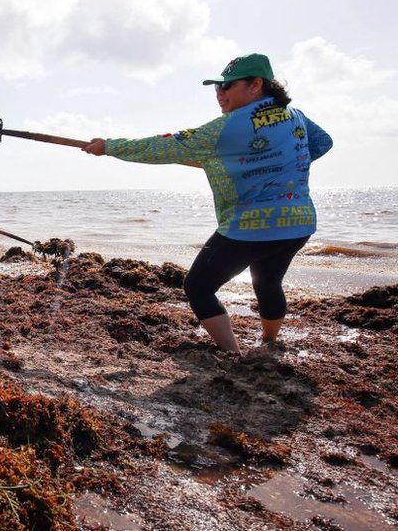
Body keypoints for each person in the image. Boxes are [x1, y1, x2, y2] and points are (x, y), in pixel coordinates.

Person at [80, 53, 333, 352]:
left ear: (255, 85)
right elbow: (322, 142)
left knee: (197, 287)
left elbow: (163, 147)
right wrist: (273, 164)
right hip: (298, 223)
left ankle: (232, 354)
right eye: (216, 88)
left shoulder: (225, 128)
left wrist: (109, 147)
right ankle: (270, 343)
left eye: (227, 86)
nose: (219, 94)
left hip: (250, 227)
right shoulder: (296, 116)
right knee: (267, 282)